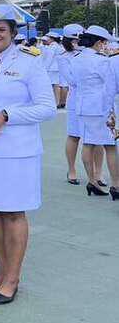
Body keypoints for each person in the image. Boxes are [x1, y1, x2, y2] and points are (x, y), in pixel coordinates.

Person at [0, 5, 56, 304]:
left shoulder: (30, 62)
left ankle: (13, 277)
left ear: (13, 33)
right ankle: (1, 272)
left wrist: (7, 114)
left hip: (17, 152)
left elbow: (47, 107)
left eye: (1, 30)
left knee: (14, 213)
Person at [68, 26, 118, 198]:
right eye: (104, 42)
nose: (105, 46)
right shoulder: (101, 61)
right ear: (98, 42)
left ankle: (92, 181)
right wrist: (110, 110)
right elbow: (110, 87)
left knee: (88, 143)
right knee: (110, 146)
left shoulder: (76, 59)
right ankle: (116, 185)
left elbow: (74, 82)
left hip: (83, 106)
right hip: (101, 107)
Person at [57, 24, 84, 183]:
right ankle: (72, 169)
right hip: (75, 99)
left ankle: (97, 172)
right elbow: (72, 80)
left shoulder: (90, 54)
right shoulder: (63, 57)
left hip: (94, 99)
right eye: (75, 40)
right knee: (74, 135)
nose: (78, 43)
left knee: (96, 139)